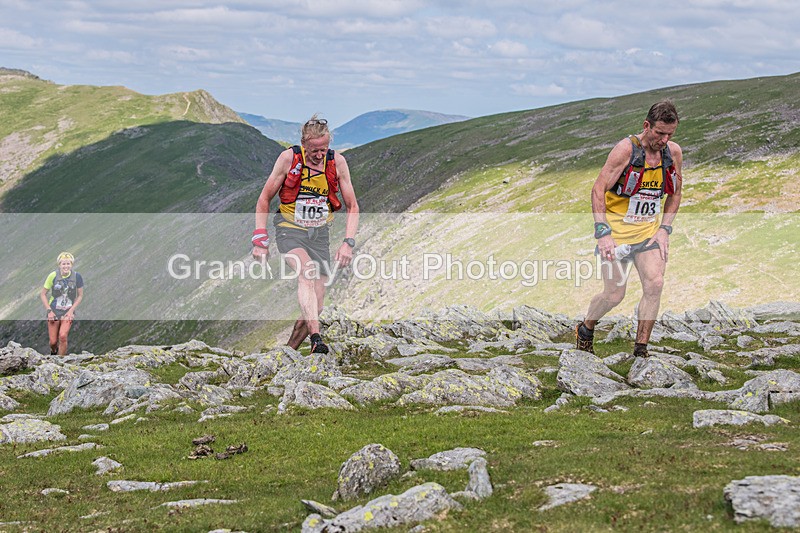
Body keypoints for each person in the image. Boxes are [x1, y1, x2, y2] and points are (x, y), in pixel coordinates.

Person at [576, 100, 683, 357]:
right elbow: (597, 189)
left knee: (655, 284)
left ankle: (641, 350)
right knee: (614, 295)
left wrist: (664, 229)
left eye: (670, 134)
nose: (664, 139)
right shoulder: (625, 150)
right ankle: (586, 328)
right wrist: (603, 233)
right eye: (659, 133)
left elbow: (676, 193)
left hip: (648, 234)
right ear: (646, 126)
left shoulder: (673, 153)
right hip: (616, 237)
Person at [252, 115, 359, 354]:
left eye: (324, 149)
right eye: (314, 150)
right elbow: (264, 198)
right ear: (303, 143)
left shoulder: (337, 163)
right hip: (290, 230)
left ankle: (287, 351)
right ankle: (316, 340)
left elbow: (353, 206)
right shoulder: (289, 159)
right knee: (306, 272)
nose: (319, 155)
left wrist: (348, 243)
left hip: (320, 235)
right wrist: (260, 239)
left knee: (316, 306)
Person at [40, 252, 84, 355]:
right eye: (63, 264)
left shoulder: (77, 277)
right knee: (53, 342)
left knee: (63, 336)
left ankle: (61, 362)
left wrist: (71, 311)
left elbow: (80, 295)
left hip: (68, 311)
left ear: (71, 265)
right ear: (59, 265)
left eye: (68, 263)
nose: (66, 266)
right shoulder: (53, 276)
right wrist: (49, 311)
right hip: (54, 310)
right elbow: (43, 294)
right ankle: (54, 351)